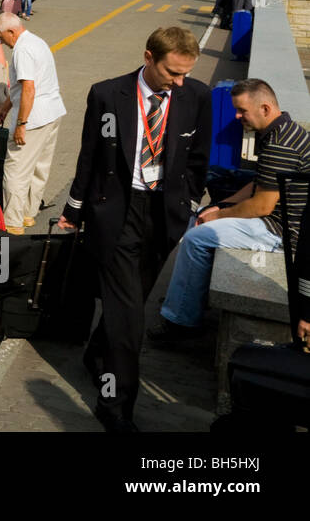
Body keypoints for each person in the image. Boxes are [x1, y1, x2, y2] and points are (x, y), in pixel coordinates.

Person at [59, 25, 211, 432]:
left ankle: (95, 355)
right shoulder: (108, 94)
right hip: (117, 215)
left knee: (129, 307)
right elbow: (88, 156)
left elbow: (199, 160)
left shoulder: (196, 96)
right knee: (129, 326)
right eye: (172, 73)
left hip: (164, 216)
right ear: (149, 58)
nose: (179, 82)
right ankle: (115, 407)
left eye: (185, 74)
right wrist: (73, 210)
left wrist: (190, 205)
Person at [153, 79, 310, 345]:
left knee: (197, 237)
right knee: (199, 215)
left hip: (282, 232)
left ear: (265, 107)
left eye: (242, 111)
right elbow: (259, 182)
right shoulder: (280, 129)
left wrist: (219, 216)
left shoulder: (279, 144)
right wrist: (220, 205)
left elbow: (262, 205)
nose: (237, 116)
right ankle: (185, 299)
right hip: (275, 219)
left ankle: (181, 325)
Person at [0, 12, 65, 234]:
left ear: (12, 31)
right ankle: (28, 214)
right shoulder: (37, 41)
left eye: (2, 37)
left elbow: (28, 89)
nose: (2, 43)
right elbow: (21, 88)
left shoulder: (22, 50)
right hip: (52, 112)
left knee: (16, 169)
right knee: (39, 167)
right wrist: (5, 108)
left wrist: (21, 123)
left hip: (33, 117)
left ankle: (12, 222)